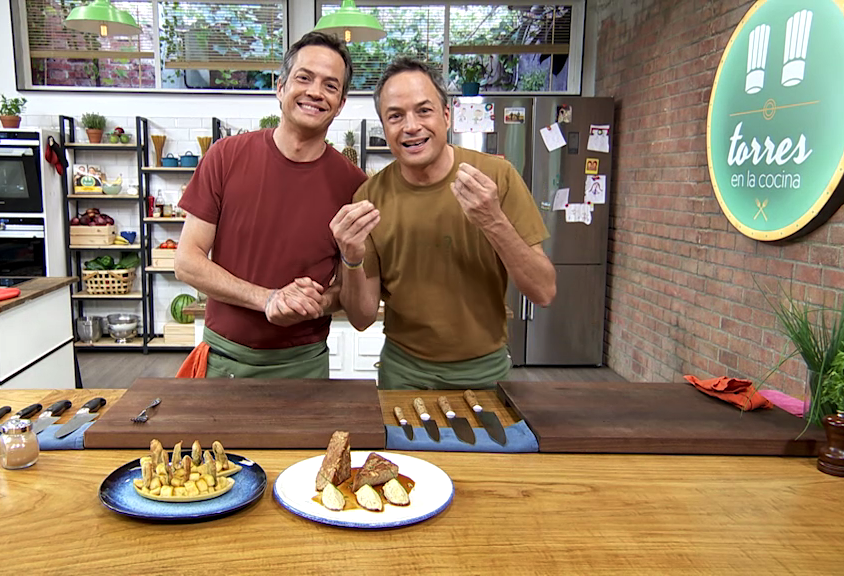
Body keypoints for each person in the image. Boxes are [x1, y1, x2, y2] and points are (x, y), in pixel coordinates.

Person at [330, 57, 557, 390]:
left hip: (485, 372)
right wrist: (350, 258)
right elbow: (362, 318)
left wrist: (493, 221)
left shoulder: (496, 178)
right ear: (384, 126)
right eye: (395, 116)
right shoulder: (369, 197)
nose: (411, 126)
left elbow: (543, 291)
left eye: (424, 111)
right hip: (403, 374)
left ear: (446, 116)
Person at [174, 31, 367, 379]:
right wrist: (267, 298)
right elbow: (187, 262)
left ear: (340, 104)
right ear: (280, 87)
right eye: (304, 78)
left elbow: (345, 288)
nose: (315, 92)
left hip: (304, 365)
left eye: (330, 85)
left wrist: (317, 302)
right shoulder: (225, 157)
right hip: (224, 360)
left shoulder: (354, 185)